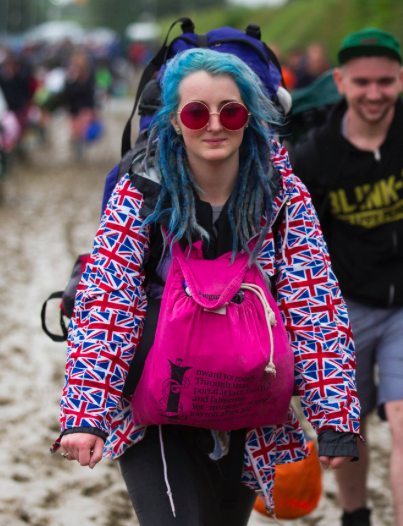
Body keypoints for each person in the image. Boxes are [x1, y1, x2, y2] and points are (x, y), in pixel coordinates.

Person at [52, 48, 361, 526]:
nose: (214, 125)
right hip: (152, 403)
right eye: (196, 112)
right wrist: (86, 412)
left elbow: (313, 299)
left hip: (246, 402)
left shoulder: (282, 194)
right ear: (175, 121)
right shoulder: (142, 190)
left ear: (249, 118)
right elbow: (107, 297)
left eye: (230, 111)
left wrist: (334, 416)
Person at [290, 28, 403, 526]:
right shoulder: (314, 156)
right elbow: (295, 247)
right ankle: (355, 515)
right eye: (362, 82)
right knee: (347, 427)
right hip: (344, 309)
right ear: (340, 81)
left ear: (401, 80)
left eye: (386, 81)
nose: (374, 93)